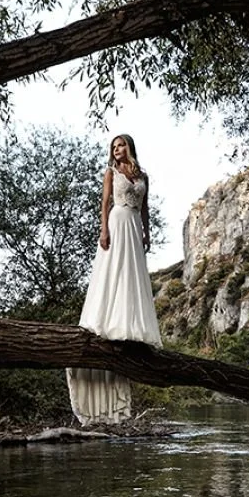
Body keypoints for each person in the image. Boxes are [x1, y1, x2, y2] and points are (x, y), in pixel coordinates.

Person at [66, 134, 162, 425]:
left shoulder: (143, 175)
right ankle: (109, 323)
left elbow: (145, 207)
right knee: (114, 271)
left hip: (134, 225)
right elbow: (105, 203)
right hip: (117, 222)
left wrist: (147, 232)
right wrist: (103, 231)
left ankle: (130, 325)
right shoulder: (111, 172)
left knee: (132, 275)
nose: (116, 150)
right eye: (113, 147)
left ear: (130, 148)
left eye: (120, 146)